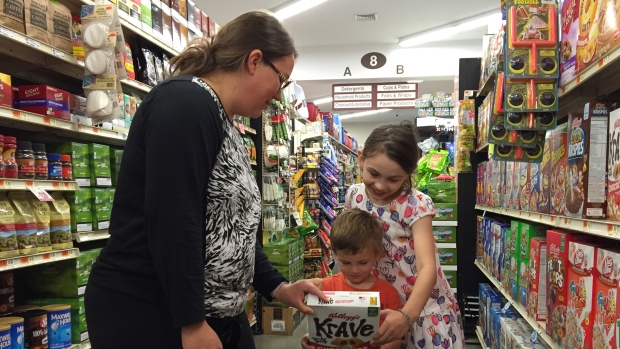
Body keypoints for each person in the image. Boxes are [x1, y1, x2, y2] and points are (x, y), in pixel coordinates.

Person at [85, 10, 326, 349]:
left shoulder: (223, 121)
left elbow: (233, 230)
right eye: (281, 80)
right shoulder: (185, 102)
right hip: (150, 309)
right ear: (254, 60)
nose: (279, 95)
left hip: (209, 311)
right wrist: (191, 321)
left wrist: (278, 287)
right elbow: (174, 217)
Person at [345, 121, 465, 349]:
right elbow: (349, 245)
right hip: (379, 307)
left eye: (393, 179)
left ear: (408, 174)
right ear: (361, 159)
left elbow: (427, 267)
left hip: (422, 310)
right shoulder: (353, 196)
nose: (380, 185)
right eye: (373, 173)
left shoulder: (416, 205)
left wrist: (407, 315)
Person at [301, 209, 403, 349]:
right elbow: (319, 326)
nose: (354, 270)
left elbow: (394, 338)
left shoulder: (387, 293)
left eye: (362, 263)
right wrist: (311, 339)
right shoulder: (325, 289)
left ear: (377, 254)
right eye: (346, 263)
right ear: (335, 255)